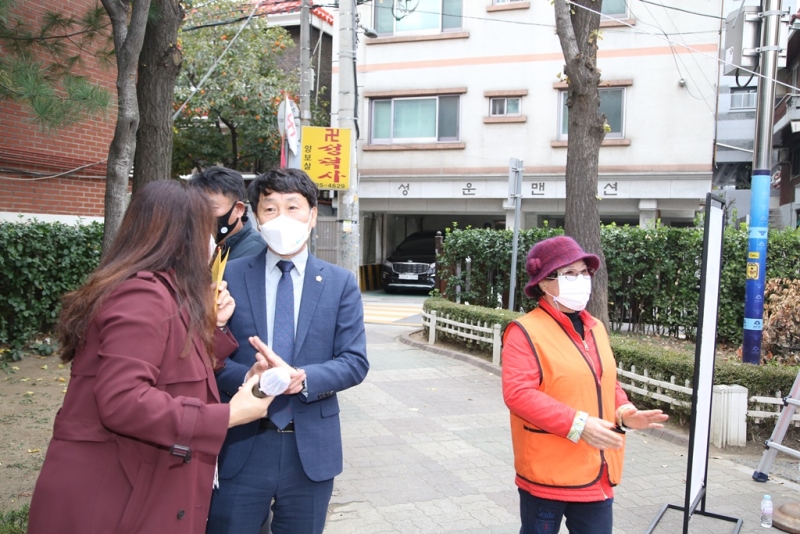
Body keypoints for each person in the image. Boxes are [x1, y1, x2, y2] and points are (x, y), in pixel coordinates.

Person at [28, 181, 273, 534]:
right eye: (205, 230)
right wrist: (228, 415)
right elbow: (123, 399)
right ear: (181, 237)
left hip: (130, 480)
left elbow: (167, 363)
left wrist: (214, 336)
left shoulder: (157, 289)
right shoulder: (143, 294)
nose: (212, 243)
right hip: (114, 492)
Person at [207, 168, 369, 534]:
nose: (282, 218)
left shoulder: (339, 283)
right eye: (270, 209)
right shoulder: (229, 274)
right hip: (243, 443)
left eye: (293, 207)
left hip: (309, 446)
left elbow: (354, 361)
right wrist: (248, 377)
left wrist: (303, 379)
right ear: (256, 218)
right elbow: (207, 355)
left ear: (312, 215)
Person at [501, 235, 668, 534]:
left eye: (583, 272)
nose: (580, 280)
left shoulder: (595, 327)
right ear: (543, 283)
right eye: (568, 274)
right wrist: (579, 425)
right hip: (547, 473)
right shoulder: (524, 331)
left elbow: (603, 380)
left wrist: (625, 412)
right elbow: (519, 395)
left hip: (597, 469)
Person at [189, 166, 266, 260]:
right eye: (199, 208)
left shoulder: (260, 252)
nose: (204, 215)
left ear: (239, 209)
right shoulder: (196, 248)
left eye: (212, 208)